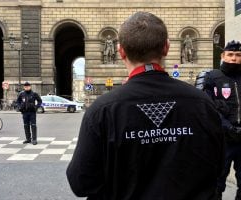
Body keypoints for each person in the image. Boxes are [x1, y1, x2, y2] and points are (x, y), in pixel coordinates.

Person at [67, 11, 224, 200]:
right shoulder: (203, 103)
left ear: (121, 51)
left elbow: (81, 182)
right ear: (166, 47)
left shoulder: (102, 110)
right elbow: (219, 165)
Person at [195, 40, 241, 200]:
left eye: (238, 55)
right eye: (230, 54)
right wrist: (228, 128)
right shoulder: (211, 78)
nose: (234, 58)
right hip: (221, 141)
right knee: (214, 187)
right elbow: (206, 108)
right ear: (223, 55)